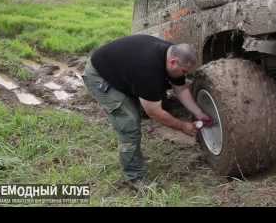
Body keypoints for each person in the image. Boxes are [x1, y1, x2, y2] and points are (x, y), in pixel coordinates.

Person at [82, 34, 212, 193]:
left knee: (134, 110)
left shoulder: (172, 54)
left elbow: (180, 88)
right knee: (129, 122)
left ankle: (134, 159)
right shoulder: (148, 70)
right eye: (184, 71)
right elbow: (154, 112)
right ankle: (135, 177)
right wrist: (182, 126)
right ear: (173, 62)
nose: (184, 75)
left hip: (122, 69)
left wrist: (199, 113)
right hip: (99, 76)